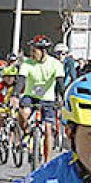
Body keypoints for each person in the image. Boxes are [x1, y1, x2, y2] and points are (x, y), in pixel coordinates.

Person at [17, 35, 66, 166]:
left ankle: (47, 161)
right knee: (23, 112)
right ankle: (26, 132)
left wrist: (64, 99)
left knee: (49, 129)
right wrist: (15, 96)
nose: (32, 53)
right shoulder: (27, 63)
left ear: (44, 51)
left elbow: (60, 84)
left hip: (48, 99)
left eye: (34, 50)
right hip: (30, 95)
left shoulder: (55, 64)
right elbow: (21, 80)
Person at [0, 65, 20, 143]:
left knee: (16, 120)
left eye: (12, 77)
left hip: (13, 107)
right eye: (7, 77)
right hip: (3, 105)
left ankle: (13, 140)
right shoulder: (1, 86)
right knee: (2, 116)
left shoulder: (17, 87)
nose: (9, 79)